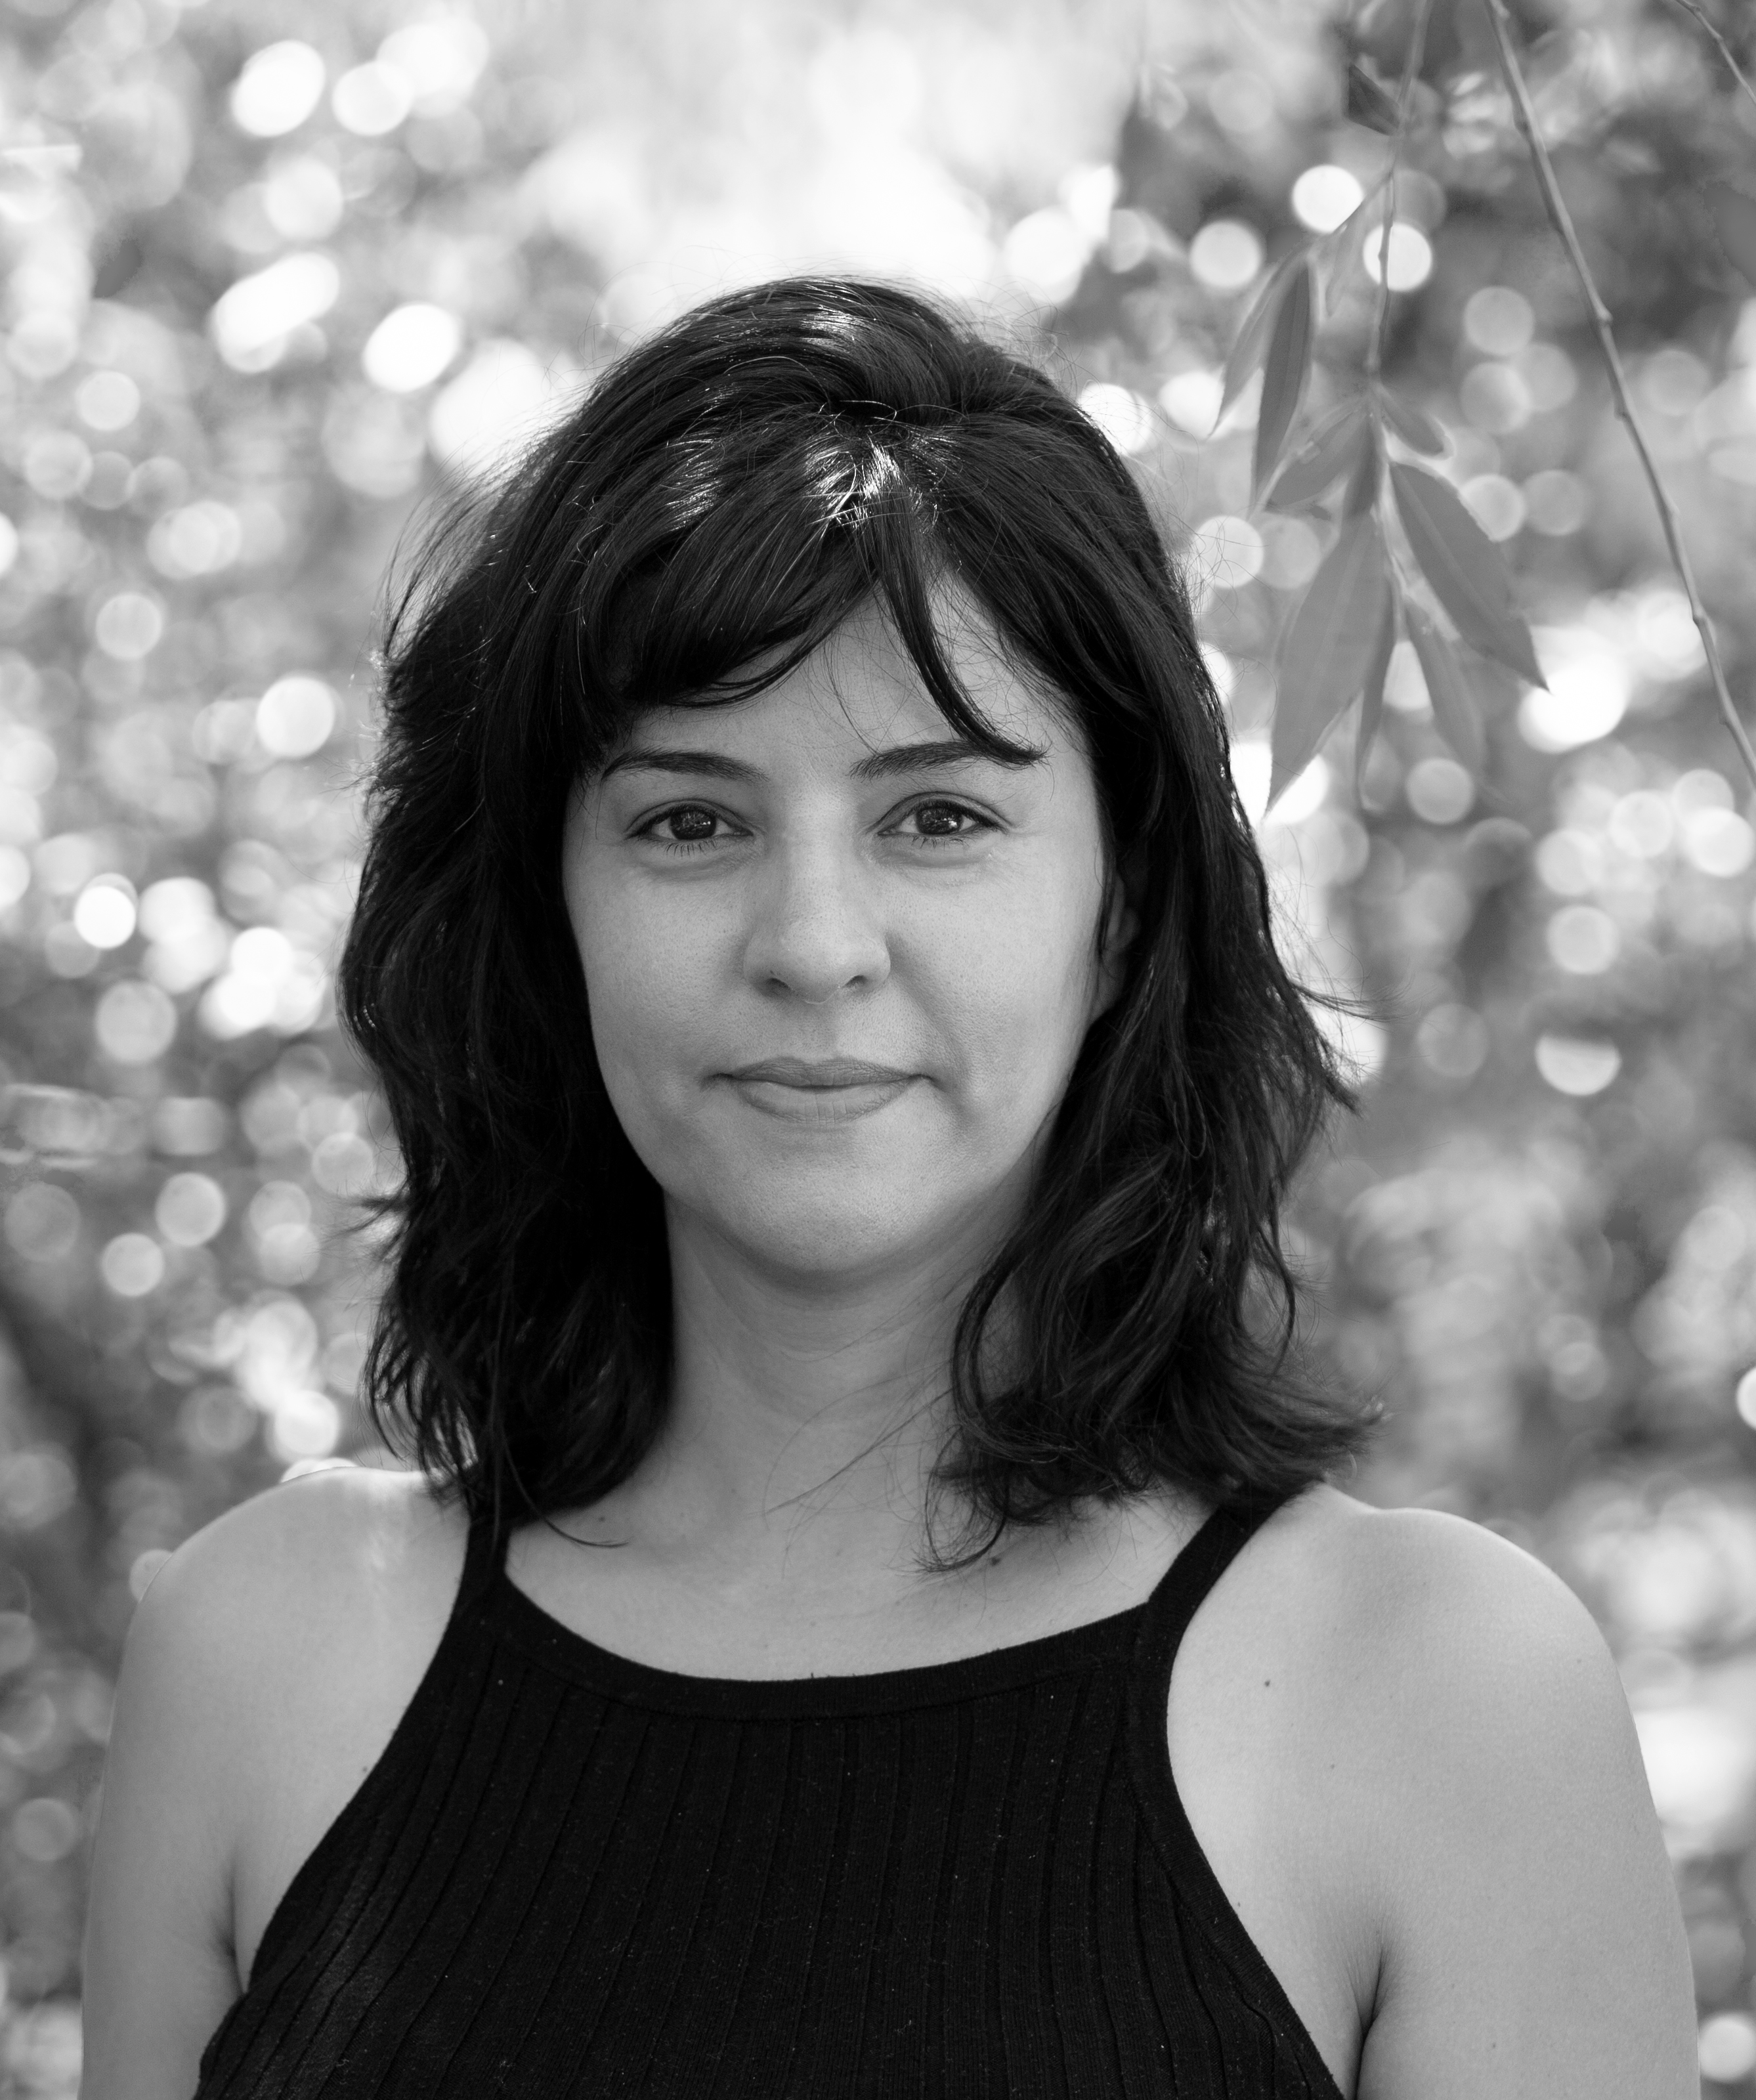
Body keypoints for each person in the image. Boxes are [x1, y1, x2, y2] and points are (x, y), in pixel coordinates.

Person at [79, 278, 1694, 2099]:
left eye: (937, 817)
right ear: (550, 920)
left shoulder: (1436, 1703)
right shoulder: (262, 1657)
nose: (812, 943)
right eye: (687, 818)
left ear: (1122, 914)